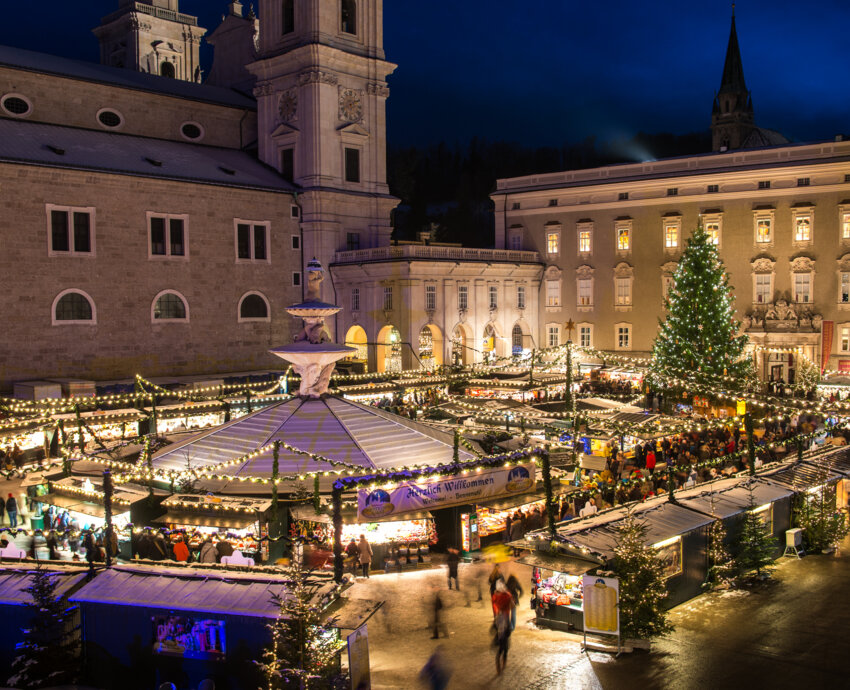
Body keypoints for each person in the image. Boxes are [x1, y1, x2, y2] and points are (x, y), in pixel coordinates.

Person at [491, 579, 514, 675]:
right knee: (504, 649)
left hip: (500, 623)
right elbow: (513, 606)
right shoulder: (507, 596)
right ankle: (501, 665)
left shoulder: (495, 596)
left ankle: (499, 666)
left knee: (502, 648)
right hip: (504, 624)